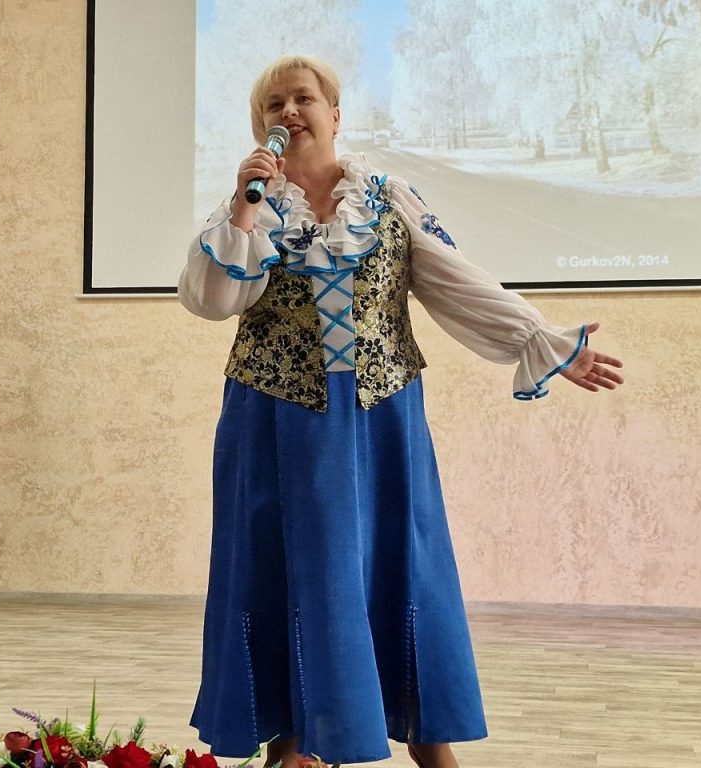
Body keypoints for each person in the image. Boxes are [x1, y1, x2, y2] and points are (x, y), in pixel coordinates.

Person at [177, 56, 623, 768]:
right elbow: (212, 299)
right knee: (280, 564)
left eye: (303, 98)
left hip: (380, 418)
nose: (290, 111)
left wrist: (541, 341)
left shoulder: (389, 200)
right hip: (274, 419)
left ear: (334, 114)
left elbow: (458, 283)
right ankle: (293, 741)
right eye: (275, 103)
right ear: (262, 124)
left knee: (402, 564)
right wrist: (243, 207)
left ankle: (427, 737)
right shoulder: (248, 210)